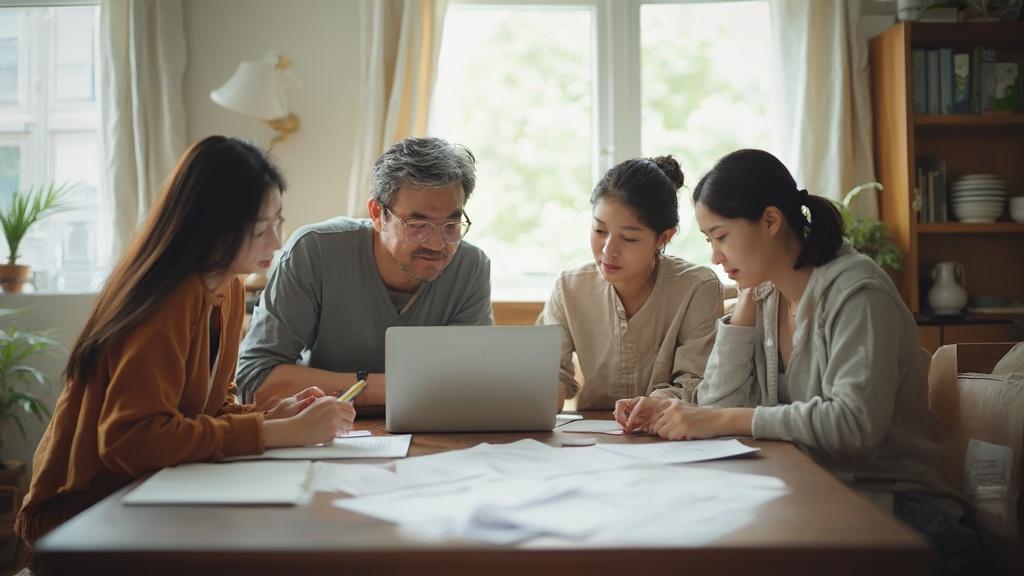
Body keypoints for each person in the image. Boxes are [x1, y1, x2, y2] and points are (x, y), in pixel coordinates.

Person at [615, 149, 984, 575]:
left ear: (771, 221)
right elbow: (716, 406)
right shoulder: (768, 293)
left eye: (721, 237)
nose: (715, 256)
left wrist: (723, 420)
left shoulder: (858, 293)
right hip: (818, 492)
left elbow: (854, 425)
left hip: (904, 511)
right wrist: (746, 304)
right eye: (708, 241)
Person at [16, 136, 353, 549]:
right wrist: (276, 434)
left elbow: (206, 408)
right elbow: (131, 439)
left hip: (158, 488)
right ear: (212, 227)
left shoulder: (228, 285)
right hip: (89, 511)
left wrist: (269, 417)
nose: (277, 241)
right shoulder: (169, 294)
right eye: (260, 229)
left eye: (278, 221)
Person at [235, 137, 492, 409]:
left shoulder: (471, 267)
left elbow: (471, 382)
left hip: (429, 427)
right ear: (377, 214)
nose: (438, 244)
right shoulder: (314, 251)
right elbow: (256, 381)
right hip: (323, 426)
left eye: (451, 225)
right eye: (418, 225)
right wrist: (392, 388)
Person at [539, 156, 722, 410]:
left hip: (668, 428)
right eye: (599, 230)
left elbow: (696, 382)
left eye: (629, 238)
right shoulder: (569, 287)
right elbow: (550, 374)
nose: (608, 251)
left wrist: (650, 407)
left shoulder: (696, 288)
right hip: (591, 429)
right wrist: (544, 392)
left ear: (664, 237)